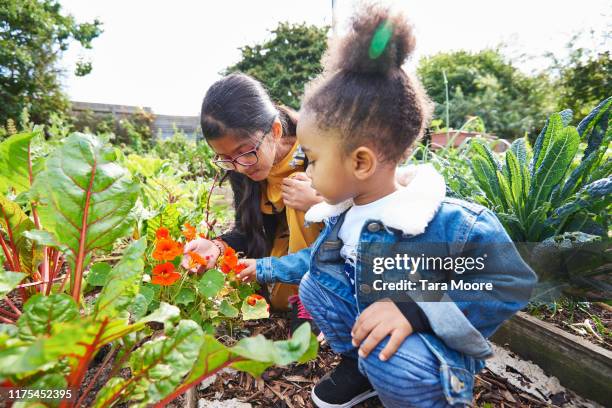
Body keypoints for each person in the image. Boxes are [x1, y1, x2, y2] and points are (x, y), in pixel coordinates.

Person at [236, 4, 537, 408]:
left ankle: (420, 394)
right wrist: (264, 267)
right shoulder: (345, 214)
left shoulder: (448, 223)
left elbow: (510, 282)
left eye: (314, 159)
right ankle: (362, 370)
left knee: (391, 357)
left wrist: (414, 310)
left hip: (427, 353)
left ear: (360, 162)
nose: (307, 170)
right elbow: (313, 261)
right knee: (316, 286)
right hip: (378, 330)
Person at [182, 73, 325, 333]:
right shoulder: (242, 167)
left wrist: (322, 202)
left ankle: (312, 299)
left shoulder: (320, 145)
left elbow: (366, 204)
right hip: (292, 253)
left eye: (244, 152)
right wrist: (216, 246)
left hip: (334, 251)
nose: (238, 166)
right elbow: (248, 231)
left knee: (297, 185)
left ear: (275, 131)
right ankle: (298, 294)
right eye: (225, 158)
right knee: (279, 298)